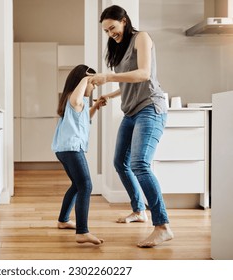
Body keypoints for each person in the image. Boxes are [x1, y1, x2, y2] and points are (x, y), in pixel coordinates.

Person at [88, 5, 174, 248]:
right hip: (131, 111)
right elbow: (129, 82)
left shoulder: (141, 37)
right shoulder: (120, 46)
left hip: (150, 108)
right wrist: (112, 96)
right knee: (120, 162)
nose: (110, 33)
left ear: (124, 20)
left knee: (139, 164)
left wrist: (108, 77)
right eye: (106, 31)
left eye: (112, 28)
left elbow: (144, 74)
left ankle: (163, 226)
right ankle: (139, 211)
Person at [51, 64, 106, 245]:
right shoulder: (74, 98)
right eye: (93, 84)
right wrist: (86, 78)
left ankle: (63, 220)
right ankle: (82, 232)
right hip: (72, 149)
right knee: (86, 186)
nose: (94, 87)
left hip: (64, 149)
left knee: (77, 184)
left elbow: (82, 118)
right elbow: (76, 102)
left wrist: (96, 106)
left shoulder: (77, 101)